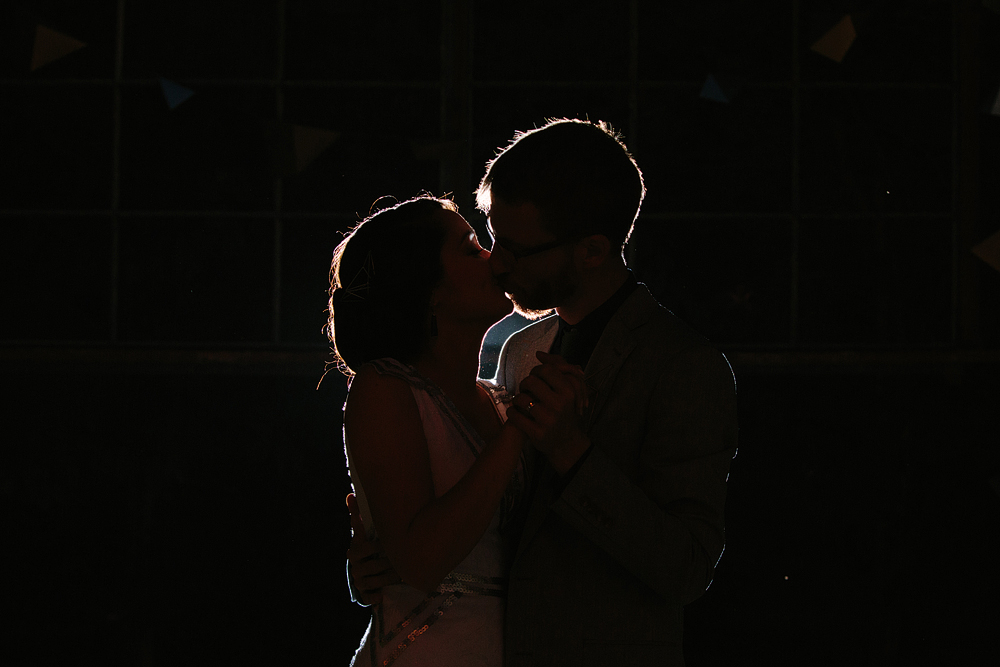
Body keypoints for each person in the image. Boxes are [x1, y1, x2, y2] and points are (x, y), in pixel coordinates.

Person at [349, 119, 739, 666]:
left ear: (593, 250)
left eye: (514, 248)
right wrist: (380, 553)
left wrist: (573, 457)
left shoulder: (683, 367)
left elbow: (688, 567)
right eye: (487, 238)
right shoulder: (520, 352)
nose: (498, 262)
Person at [330, 195, 586, 667]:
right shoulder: (384, 388)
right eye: (472, 248)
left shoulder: (504, 393)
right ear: (430, 289)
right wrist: (517, 432)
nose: (495, 257)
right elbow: (423, 561)